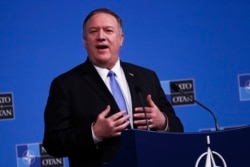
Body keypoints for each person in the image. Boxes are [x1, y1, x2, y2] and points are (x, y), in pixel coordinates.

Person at [42, 8, 184, 167]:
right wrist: (94, 133)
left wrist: (162, 121)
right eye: (93, 31)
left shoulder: (146, 77)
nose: (101, 37)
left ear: (121, 39)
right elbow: (52, 143)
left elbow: (177, 128)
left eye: (108, 30)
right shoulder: (66, 84)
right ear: (84, 41)